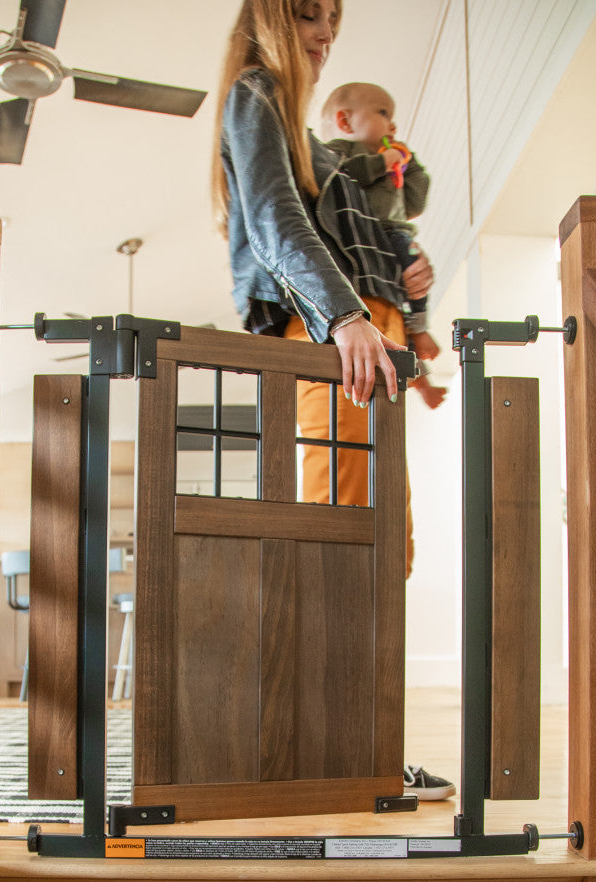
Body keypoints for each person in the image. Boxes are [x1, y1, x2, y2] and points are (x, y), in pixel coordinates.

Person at [213, 0, 455, 802]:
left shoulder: (325, 148)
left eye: (334, 24)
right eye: (310, 17)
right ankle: (327, 748)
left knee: (385, 542)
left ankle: (363, 743)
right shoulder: (256, 93)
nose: (324, 36)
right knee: (339, 534)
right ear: (270, 18)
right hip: (330, 339)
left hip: (361, 337)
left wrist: (401, 278)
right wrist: (347, 315)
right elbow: (277, 223)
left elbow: (349, 225)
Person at [321, 81, 446, 411]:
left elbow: (415, 201)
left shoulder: (392, 161)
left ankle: (420, 333)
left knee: (412, 272)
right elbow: (340, 177)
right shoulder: (342, 150)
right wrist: (381, 162)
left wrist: (408, 160)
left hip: (392, 233)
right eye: (382, 113)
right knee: (387, 326)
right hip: (363, 241)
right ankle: (420, 356)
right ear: (346, 122)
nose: (392, 124)